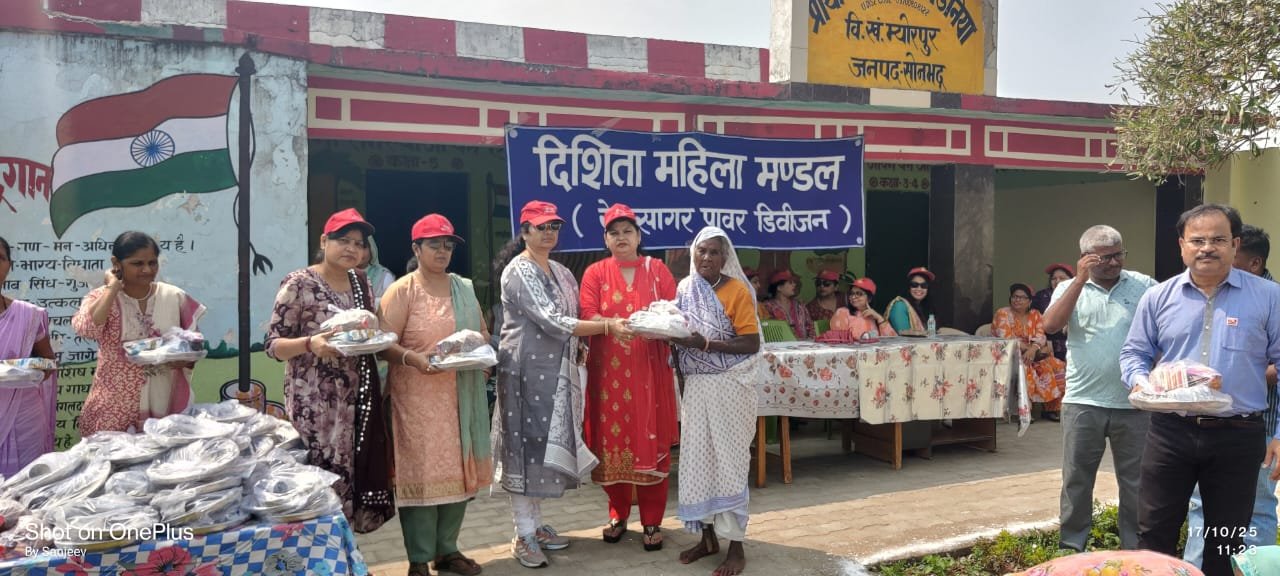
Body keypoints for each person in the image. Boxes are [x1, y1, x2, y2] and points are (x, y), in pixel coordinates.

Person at [1120, 204, 1280, 576]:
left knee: (1226, 539)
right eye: (1197, 240)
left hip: (1238, 434)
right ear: (1182, 246)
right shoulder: (1158, 297)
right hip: (1170, 432)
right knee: (1154, 532)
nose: (1207, 248)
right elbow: (1134, 353)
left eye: (1218, 240)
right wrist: (1141, 381)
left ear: (1235, 245)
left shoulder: (1269, 297)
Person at [491, 200, 634, 569]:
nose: (549, 233)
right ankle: (523, 534)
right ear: (525, 232)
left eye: (554, 226)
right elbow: (552, 320)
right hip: (523, 374)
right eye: (541, 227)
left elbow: (573, 317)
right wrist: (607, 326)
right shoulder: (518, 271)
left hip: (557, 375)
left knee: (542, 450)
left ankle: (536, 526)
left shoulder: (562, 272)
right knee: (523, 450)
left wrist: (584, 344)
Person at [265, 208, 395, 534]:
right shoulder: (299, 283)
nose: (352, 248)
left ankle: (344, 549)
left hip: (356, 401)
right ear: (324, 241)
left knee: (353, 474)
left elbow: (367, 331)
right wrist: (311, 344)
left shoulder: (361, 282)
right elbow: (273, 345)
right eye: (343, 240)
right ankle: (318, 549)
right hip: (315, 405)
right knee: (318, 478)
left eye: (359, 243)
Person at [377, 214, 489, 576]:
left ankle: (448, 550)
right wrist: (413, 358)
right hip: (417, 399)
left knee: (458, 472)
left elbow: (481, 335)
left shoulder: (463, 288)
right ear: (416, 248)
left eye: (448, 245)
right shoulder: (403, 290)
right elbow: (382, 344)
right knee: (422, 477)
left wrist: (482, 360)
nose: (443, 251)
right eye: (434, 244)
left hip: (461, 396)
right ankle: (418, 559)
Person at [1043, 225, 1155, 553]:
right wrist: (1079, 280)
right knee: (1077, 479)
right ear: (1085, 258)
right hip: (1083, 402)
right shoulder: (1068, 287)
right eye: (1105, 258)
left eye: (1119, 254)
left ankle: (1134, 550)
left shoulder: (1144, 285)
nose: (1114, 262)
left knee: (1136, 483)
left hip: (1134, 403)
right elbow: (1050, 326)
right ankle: (1071, 547)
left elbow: (1165, 329)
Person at [579, 203, 678, 552]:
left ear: (638, 236)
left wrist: (659, 326)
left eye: (627, 231)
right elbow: (587, 313)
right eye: (614, 232)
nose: (621, 238)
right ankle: (618, 515)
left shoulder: (657, 270)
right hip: (608, 376)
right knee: (613, 446)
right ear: (605, 239)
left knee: (651, 442)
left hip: (651, 371)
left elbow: (674, 313)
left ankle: (652, 520)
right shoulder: (595, 272)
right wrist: (609, 325)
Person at [669, 227, 762, 576]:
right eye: (701, 251)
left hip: (729, 386)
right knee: (697, 462)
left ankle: (736, 547)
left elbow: (751, 343)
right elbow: (678, 336)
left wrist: (705, 345)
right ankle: (707, 539)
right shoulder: (685, 289)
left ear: (725, 258)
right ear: (693, 254)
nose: (706, 257)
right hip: (696, 387)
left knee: (729, 462)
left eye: (713, 252)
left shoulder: (737, 291)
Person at [1184, 224, 1279, 567]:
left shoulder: (1270, 299)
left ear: (1253, 263)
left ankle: (1251, 571)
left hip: (1262, 427)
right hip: (1212, 426)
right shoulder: (1212, 296)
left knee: (1257, 508)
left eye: (1229, 256)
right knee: (1202, 506)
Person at [72, 231, 205, 437]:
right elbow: (87, 329)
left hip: (164, 405)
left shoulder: (173, 296)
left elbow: (194, 345)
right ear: (116, 263)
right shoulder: (102, 297)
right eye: (137, 263)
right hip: (114, 408)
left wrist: (184, 359)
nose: (147, 270)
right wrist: (112, 287)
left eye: (152, 263)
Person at [0, 237, 57, 476]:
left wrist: (28, 371)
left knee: (25, 487)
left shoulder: (29, 315)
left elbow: (49, 363)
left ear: (9, 266)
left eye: (0, 258)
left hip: (24, 417)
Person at [994, 282, 1067, 422]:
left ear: (1030, 301)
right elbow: (1007, 338)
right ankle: (1024, 410)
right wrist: (1031, 350)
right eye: (1014, 296)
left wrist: (1033, 350)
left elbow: (1041, 336)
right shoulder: (1002, 313)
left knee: (1058, 365)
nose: (1017, 300)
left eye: (1022, 297)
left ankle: (1051, 409)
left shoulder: (1035, 314)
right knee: (1026, 367)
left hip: (1034, 353)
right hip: (1009, 354)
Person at [1033, 263, 1074, 361]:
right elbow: (1033, 320)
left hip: (1074, 344)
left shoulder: (1080, 294)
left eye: (1062, 278)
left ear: (1072, 280)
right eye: (1053, 278)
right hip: (1047, 345)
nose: (1057, 281)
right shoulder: (1041, 296)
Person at [760, 269, 813, 339]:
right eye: (790, 283)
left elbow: (810, 326)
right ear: (779, 288)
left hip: (805, 344)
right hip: (780, 345)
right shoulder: (768, 306)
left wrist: (810, 341)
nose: (794, 285)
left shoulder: (800, 306)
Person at [885, 267, 935, 335]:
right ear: (908, 287)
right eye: (914, 285)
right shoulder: (899, 306)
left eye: (924, 285)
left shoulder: (923, 306)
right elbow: (905, 336)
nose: (919, 289)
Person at [360, 237, 396, 310]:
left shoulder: (384, 276)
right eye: (356, 246)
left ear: (371, 249)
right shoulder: (340, 275)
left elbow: (392, 303)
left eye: (364, 247)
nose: (359, 251)